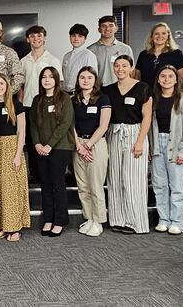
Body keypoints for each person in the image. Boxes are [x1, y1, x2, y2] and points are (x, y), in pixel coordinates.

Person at [102, 55, 152, 234]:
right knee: (115, 178)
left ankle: (135, 222)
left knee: (133, 180)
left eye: (124, 65)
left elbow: (147, 117)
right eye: (117, 66)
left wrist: (140, 141)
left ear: (131, 67)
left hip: (135, 133)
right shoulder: (107, 90)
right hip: (114, 134)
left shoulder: (143, 87)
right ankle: (118, 219)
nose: (120, 69)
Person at [150, 65, 183, 236]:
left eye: (170, 76)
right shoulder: (153, 99)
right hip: (157, 145)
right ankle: (164, 220)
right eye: (163, 76)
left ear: (176, 79)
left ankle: (177, 222)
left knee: (177, 186)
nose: (166, 79)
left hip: (176, 146)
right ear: (158, 79)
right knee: (159, 185)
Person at [31, 66, 74, 237]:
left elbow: (65, 123)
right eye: (44, 77)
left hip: (59, 147)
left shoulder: (64, 98)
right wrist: (37, 144)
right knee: (46, 185)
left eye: (50, 77)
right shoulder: (37, 100)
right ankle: (48, 218)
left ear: (56, 79)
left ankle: (60, 220)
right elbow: (33, 124)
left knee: (58, 184)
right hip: (41, 149)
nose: (47, 80)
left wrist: (50, 145)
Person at [0, 73, 29, 242]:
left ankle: (15, 227)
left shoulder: (16, 105)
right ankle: (3, 226)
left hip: (12, 147)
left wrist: (18, 154)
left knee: (12, 189)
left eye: (1, 83)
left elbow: (22, 131)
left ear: (7, 85)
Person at [71, 67, 111, 237]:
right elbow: (70, 124)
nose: (85, 80)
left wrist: (88, 145)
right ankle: (88, 218)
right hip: (78, 144)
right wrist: (79, 145)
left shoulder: (103, 99)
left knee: (96, 185)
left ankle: (98, 220)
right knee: (83, 185)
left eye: (89, 77)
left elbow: (104, 125)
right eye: (82, 77)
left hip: (96, 144)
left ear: (95, 80)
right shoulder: (73, 100)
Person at [20, 25, 64, 108]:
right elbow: (21, 86)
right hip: (27, 104)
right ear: (28, 40)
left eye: (39, 36)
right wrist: (20, 103)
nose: (36, 39)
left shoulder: (53, 61)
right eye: (32, 36)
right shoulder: (23, 61)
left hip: (46, 105)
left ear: (44, 38)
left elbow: (59, 85)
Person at [135, 23, 183, 88]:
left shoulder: (177, 54)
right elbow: (137, 77)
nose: (160, 36)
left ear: (168, 36)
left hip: (168, 94)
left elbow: (181, 79)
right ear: (152, 36)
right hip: (146, 94)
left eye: (163, 33)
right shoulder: (143, 55)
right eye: (156, 34)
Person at [88, 15, 134, 87]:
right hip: (98, 90)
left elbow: (131, 72)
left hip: (120, 88)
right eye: (103, 26)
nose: (107, 28)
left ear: (116, 28)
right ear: (99, 29)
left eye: (111, 25)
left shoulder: (126, 49)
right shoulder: (90, 50)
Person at [62, 23, 98, 93]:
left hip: (80, 93)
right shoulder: (66, 56)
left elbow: (93, 79)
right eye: (73, 36)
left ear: (85, 38)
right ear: (70, 37)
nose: (76, 39)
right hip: (66, 93)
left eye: (80, 36)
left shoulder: (89, 55)